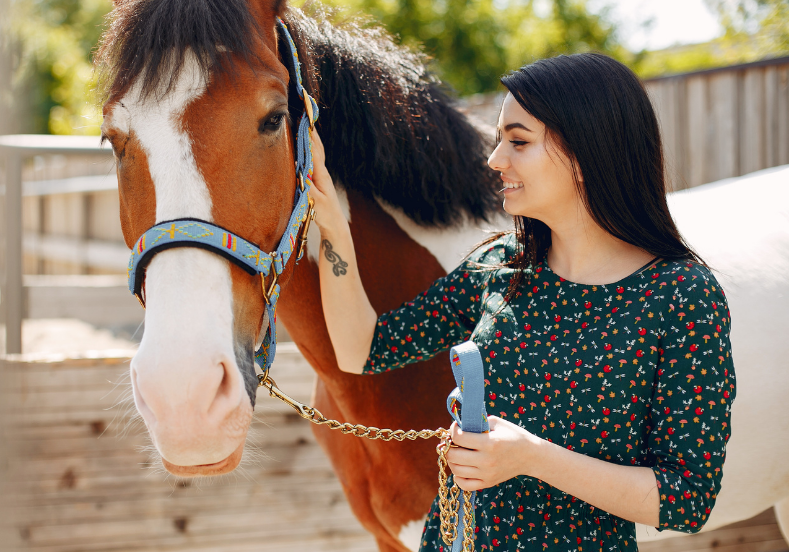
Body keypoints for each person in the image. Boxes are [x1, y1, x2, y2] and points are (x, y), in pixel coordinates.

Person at [307, 52, 735, 552]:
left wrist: (530, 457)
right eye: (498, 140)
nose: (495, 159)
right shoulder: (502, 265)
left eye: (518, 141)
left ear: (586, 151)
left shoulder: (681, 296)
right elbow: (363, 349)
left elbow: (686, 499)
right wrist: (335, 227)